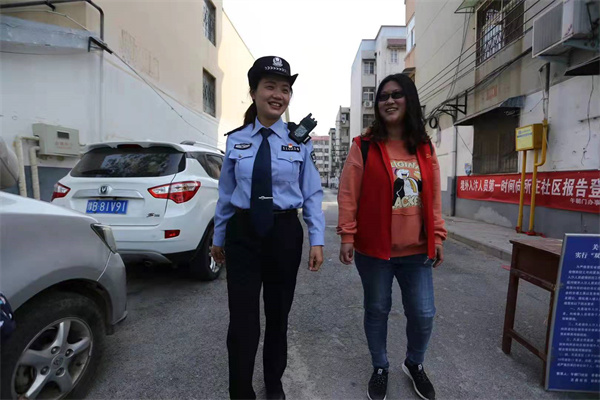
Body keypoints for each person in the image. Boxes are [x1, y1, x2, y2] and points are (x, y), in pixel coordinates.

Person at [211, 56, 325, 400]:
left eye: (285, 89)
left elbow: (312, 192)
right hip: (243, 234)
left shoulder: (299, 141)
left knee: (278, 316)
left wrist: (317, 239)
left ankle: (273, 384)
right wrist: (218, 237)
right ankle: (240, 392)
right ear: (254, 92)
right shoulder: (236, 140)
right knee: (242, 320)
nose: (278, 95)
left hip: (284, 233)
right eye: (270, 87)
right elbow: (226, 194)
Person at [337, 73, 447, 400]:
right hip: (375, 252)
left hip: (417, 251)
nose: (389, 101)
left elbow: (434, 198)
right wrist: (347, 234)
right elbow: (348, 193)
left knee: (423, 313)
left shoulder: (424, 147)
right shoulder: (364, 146)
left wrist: (438, 235)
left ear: (409, 100)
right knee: (377, 309)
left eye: (396, 94)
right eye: (383, 96)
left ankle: (414, 363)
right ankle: (380, 366)